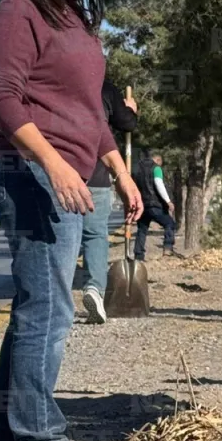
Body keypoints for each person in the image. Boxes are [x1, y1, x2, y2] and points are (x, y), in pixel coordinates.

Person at [0, 0, 143, 441]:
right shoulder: (18, 12)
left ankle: (9, 440)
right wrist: (52, 163)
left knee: (39, 307)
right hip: (27, 175)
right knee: (48, 309)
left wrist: (120, 173)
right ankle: (37, 439)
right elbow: (2, 97)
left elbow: (91, 113)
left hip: (62, 176)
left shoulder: (74, 21)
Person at [79, 79, 139, 323]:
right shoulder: (104, 88)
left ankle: (54, 294)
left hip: (58, 170)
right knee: (95, 235)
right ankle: (95, 288)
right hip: (96, 173)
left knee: (61, 236)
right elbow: (128, 124)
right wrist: (130, 110)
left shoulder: (58, 81)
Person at [134, 151, 178, 260]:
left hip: (141, 206)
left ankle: (138, 256)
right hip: (154, 205)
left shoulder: (137, 169)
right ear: (157, 160)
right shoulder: (156, 168)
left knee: (142, 230)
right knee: (169, 223)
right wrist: (168, 201)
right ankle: (168, 248)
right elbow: (159, 184)